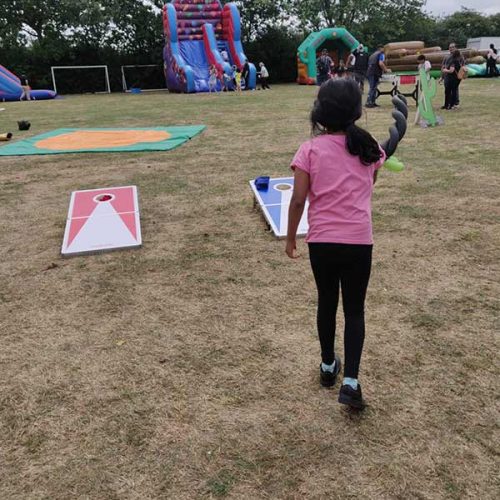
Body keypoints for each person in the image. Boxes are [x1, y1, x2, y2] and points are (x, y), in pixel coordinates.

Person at [286, 78, 386, 410]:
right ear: (356, 111)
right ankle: (351, 382)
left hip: (322, 242)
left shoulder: (309, 150)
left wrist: (290, 239)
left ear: (320, 111)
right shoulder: (369, 146)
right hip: (359, 240)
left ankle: (328, 366)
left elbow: (298, 200)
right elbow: (371, 182)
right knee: (354, 309)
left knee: (327, 302)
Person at [414, 54, 432, 124]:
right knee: (423, 96)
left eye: (419, 60)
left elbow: (428, 68)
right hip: (422, 81)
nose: (419, 62)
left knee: (425, 95)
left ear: (423, 60)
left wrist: (423, 72)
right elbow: (419, 72)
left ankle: (426, 107)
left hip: (427, 80)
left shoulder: (427, 62)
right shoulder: (420, 65)